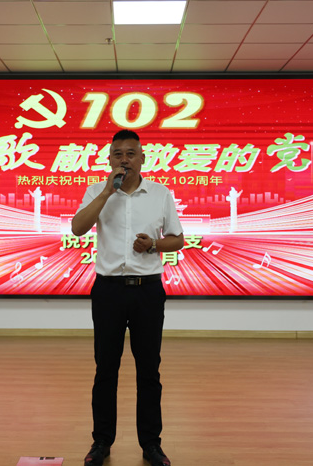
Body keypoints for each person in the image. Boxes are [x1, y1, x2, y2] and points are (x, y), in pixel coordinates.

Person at [72, 129, 184, 466]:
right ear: (109, 160)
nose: (124, 160)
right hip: (108, 290)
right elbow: (78, 227)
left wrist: (153, 245)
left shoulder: (160, 194)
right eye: (118, 154)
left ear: (142, 158)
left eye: (130, 153)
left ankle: (151, 444)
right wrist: (108, 192)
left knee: (149, 370)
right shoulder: (97, 191)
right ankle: (101, 442)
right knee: (105, 369)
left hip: (147, 290)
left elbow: (178, 240)